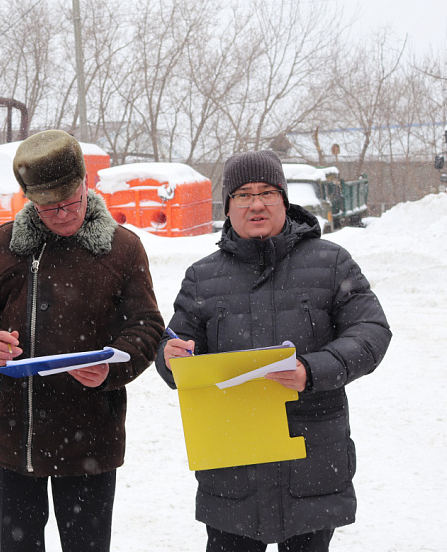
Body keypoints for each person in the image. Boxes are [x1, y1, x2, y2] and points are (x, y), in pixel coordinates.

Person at [155, 150, 391, 552]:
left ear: (284, 200)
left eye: (267, 192)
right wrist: (170, 356)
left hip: (311, 457)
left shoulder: (331, 262)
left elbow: (371, 332)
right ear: (228, 206)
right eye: (244, 194)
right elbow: (175, 343)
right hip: (233, 462)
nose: (256, 204)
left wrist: (311, 371)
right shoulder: (202, 277)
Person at [0, 129, 164, 552]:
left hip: (90, 434)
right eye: (49, 207)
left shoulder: (123, 249)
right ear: (29, 199)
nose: (63, 215)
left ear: (85, 184)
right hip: (16, 433)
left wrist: (112, 368)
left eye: (70, 202)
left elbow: (147, 325)